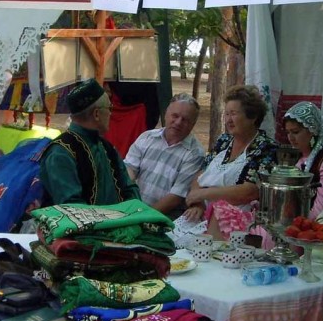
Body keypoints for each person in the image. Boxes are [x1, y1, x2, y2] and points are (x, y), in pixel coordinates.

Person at [181, 84, 278, 239]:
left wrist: (202, 194)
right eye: (226, 114)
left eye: (233, 114)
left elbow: (249, 192)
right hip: (203, 215)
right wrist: (197, 203)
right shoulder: (224, 141)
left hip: (237, 225)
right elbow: (200, 175)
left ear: (252, 116)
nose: (228, 120)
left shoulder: (266, 148)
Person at [39, 78, 141, 206]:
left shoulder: (106, 147)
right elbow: (71, 207)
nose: (111, 113)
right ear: (97, 114)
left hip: (117, 222)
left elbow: (129, 189)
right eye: (109, 108)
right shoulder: (61, 153)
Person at [124, 93, 205, 219]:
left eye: (185, 119)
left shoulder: (195, 154)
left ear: (193, 124)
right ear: (166, 114)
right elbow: (129, 169)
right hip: (134, 208)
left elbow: (176, 197)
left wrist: (143, 217)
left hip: (165, 219)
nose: (178, 122)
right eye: (175, 116)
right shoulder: (147, 137)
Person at [283, 101, 323, 218]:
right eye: (288, 132)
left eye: (295, 132)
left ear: (312, 131)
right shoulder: (301, 159)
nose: (290, 138)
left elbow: (321, 211)